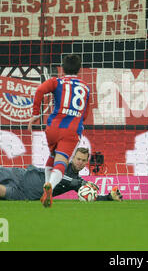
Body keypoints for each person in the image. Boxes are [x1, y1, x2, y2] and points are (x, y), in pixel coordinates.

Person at [0, 147, 123, 202]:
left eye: (83, 160)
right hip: (20, 174)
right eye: (78, 158)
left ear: (85, 163)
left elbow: (88, 195)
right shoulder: (61, 162)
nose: (80, 162)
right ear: (73, 157)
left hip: (24, 194)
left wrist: (108, 197)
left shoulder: (77, 182)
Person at [28, 54, 91, 207]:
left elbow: (39, 91)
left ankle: (46, 190)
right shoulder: (85, 87)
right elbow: (86, 113)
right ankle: (50, 186)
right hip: (71, 129)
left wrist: (36, 114)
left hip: (53, 127)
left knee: (52, 157)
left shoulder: (56, 81)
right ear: (79, 69)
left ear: (62, 68)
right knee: (61, 161)